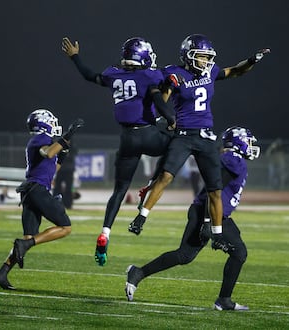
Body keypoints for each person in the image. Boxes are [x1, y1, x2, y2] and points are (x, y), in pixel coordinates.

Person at [128, 34, 270, 250]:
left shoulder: (211, 71)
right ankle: (141, 217)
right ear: (188, 55)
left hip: (205, 136)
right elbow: (160, 103)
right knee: (166, 176)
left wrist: (252, 60)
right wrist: (168, 85)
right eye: (201, 56)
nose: (205, 61)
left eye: (207, 57)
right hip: (184, 134)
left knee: (215, 189)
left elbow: (235, 71)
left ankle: (217, 234)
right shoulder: (173, 72)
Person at [62, 36, 176, 266]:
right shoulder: (149, 75)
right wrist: (171, 118)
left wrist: (75, 56)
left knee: (119, 191)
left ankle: (105, 232)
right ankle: (152, 184)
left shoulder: (113, 74)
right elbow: (159, 100)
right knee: (179, 142)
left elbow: (88, 75)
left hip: (127, 139)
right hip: (149, 135)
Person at [125, 126, 260, 311]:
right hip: (208, 214)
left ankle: (138, 272)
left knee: (185, 255)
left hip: (213, 215)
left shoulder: (233, 160)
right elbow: (213, 194)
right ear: (238, 143)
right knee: (238, 252)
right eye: (248, 141)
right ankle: (223, 300)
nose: (251, 145)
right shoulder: (233, 160)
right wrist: (208, 223)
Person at [0, 109, 84, 290]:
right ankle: (25, 245)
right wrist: (66, 136)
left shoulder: (41, 140)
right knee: (65, 228)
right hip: (36, 190)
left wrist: (62, 156)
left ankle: (2, 273)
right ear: (43, 123)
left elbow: (51, 169)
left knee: (29, 237)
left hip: (30, 191)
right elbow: (48, 153)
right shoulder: (41, 139)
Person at [53, 137, 79, 209]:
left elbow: (72, 155)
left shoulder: (73, 147)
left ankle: (68, 204)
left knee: (68, 188)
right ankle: (55, 203)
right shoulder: (60, 146)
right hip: (60, 169)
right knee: (57, 187)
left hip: (69, 170)